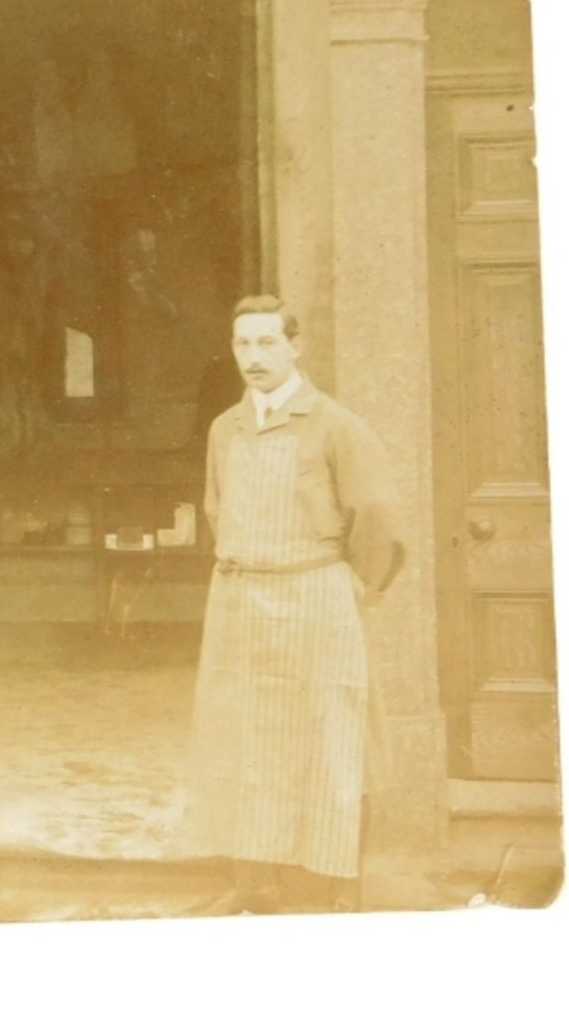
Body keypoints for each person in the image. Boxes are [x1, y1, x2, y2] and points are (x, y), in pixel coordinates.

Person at [182, 295, 403, 914]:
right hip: (241, 599)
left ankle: (337, 886)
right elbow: (216, 508)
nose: (254, 357)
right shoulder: (226, 428)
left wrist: (363, 584)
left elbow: (378, 515)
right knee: (247, 740)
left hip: (314, 593)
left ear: (295, 346)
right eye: (243, 345)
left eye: (267, 343)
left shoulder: (335, 425)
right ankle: (256, 882)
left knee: (332, 736)